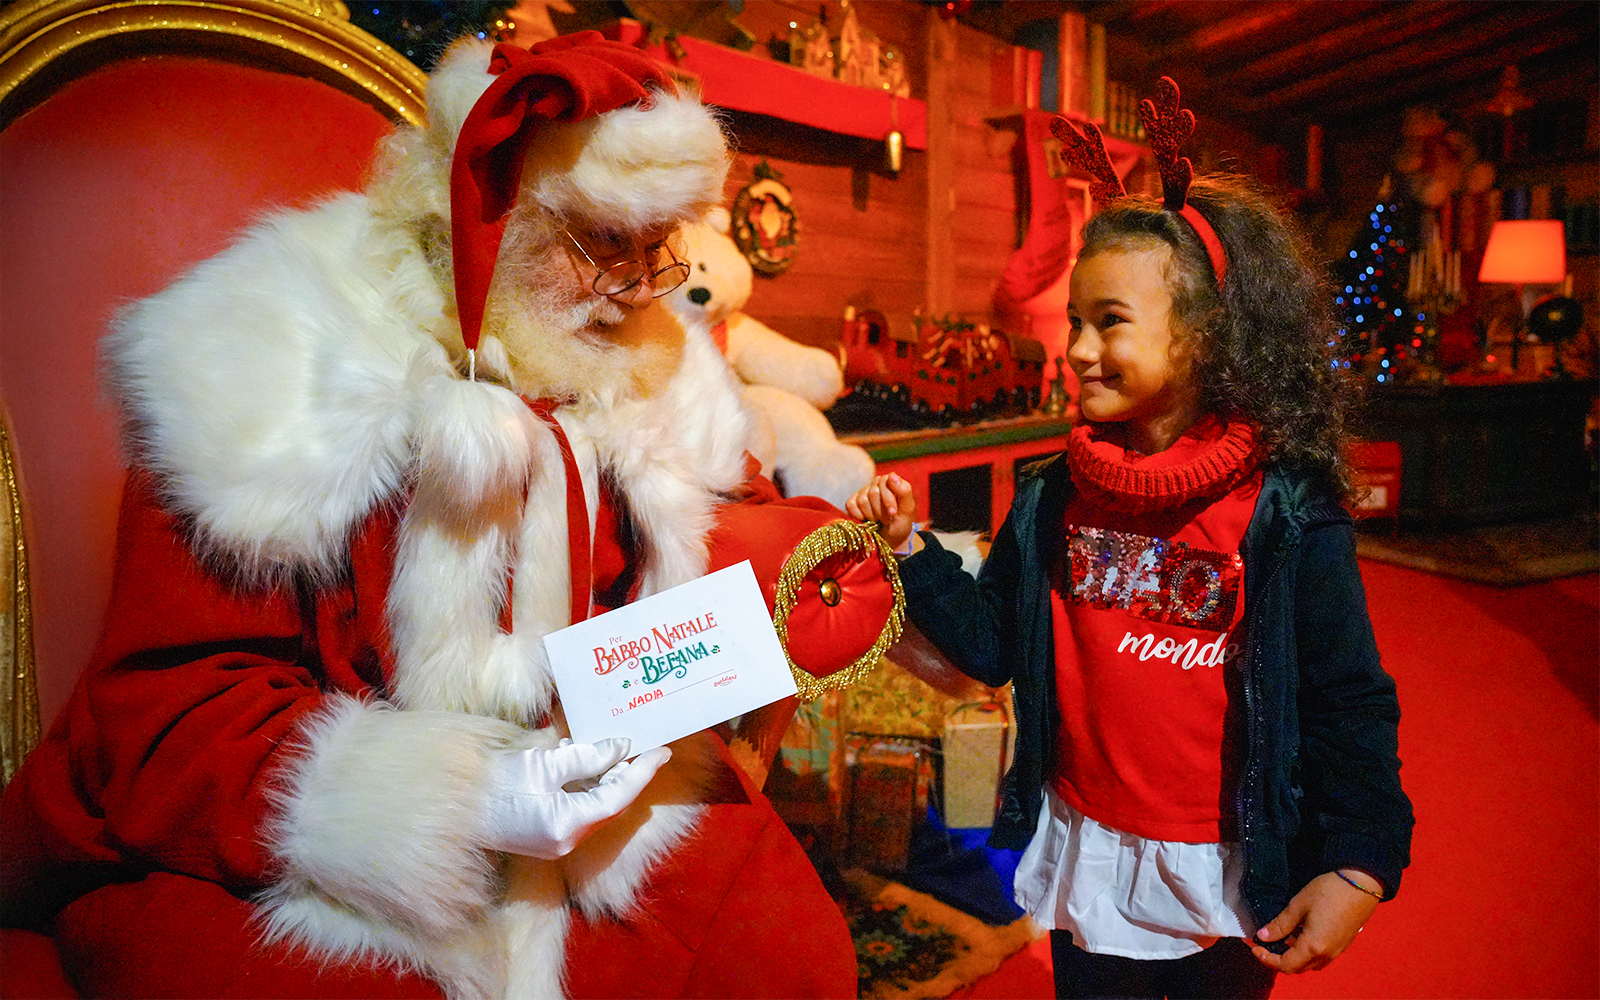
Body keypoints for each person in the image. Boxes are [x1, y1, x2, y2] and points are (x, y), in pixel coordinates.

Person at [0, 31, 874, 1000]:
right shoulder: (273, 358)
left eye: (655, 246)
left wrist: (797, 565)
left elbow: (723, 542)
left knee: (783, 953)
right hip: (299, 839)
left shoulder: (652, 363)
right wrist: (467, 801)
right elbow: (168, 713)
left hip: (594, 792)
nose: (636, 286)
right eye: (600, 244)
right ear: (492, 219)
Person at [848, 172, 1414, 998]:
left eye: (1109, 322)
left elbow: (1346, 697)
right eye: (1075, 321)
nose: (1077, 348)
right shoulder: (1051, 493)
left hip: (1224, 870)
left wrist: (1359, 862)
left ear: (1209, 335)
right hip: (1092, 849)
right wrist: (911, 554)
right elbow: (994, 643)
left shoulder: (1287, 511)